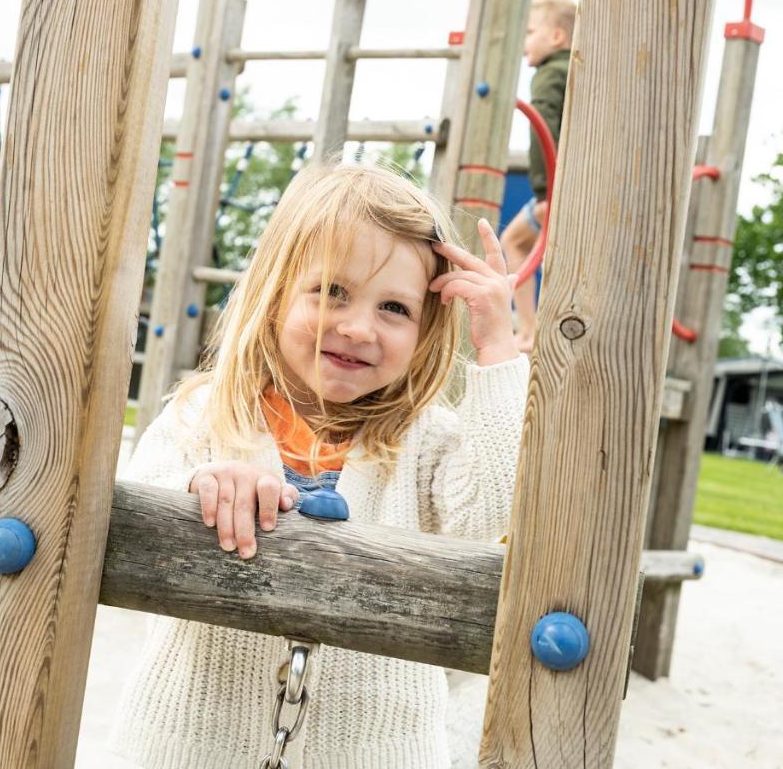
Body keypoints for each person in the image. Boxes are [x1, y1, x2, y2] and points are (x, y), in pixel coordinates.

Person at [108, 164, 526, 768]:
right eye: (332, 291)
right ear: (276, 292)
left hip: (376, 748)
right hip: (194, 743)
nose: (358, 327)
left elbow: (489, 509)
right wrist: (202, 486)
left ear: (426, 331)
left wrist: (497, 347)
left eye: (394, 308)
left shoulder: (424, 441)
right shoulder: (209, 418)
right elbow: (131, 526)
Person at [500, 0, 575, 351]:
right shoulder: (581, 72)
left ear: (557, 37)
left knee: (513, 242)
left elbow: (541, 127)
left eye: (530, 32)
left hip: (558, 189)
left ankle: (528, 329)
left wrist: (546, 193)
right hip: (581, 186)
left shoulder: (549, 75)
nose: (523, 43)